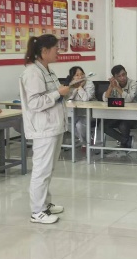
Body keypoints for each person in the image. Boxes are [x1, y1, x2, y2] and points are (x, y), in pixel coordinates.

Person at [20, 34, 71, 224]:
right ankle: (37, 211)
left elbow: (54, 95)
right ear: (44, 51)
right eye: (56, 48)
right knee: (41, 170)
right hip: (43, 128)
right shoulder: (33, 72)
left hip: (54, 126)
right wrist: (58, 93)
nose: (58, 52)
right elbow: (34, 103)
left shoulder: (47, 70)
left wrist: (65, 91)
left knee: (49, 168)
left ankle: (45, 204)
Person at [102, 65, 137, 149]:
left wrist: (117, 87)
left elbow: (129, 99)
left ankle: (125, 144)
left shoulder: (133, 83)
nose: (122, 78)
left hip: (133, 115)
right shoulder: (114, 84)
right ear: (114, 77)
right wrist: (111, 87)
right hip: (118, 115)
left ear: (126, 73)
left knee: (123, 125)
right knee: (103, 126)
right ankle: (126, 141)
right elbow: (105, 99)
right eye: (119, 76)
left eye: (124, 74)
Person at [66, 66, 95, 147]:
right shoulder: (71, 85)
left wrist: (79, 87)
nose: (80, 77)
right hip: (75, 113)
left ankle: (85, 143)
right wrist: (75, 87)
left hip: (89, 114)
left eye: (82, 74)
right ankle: (86, 140)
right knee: (66, 123)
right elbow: (68, 98)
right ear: (72, 77)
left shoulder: (89, 84)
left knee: (79, 125)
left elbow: (86, 98)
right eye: (77, 75)